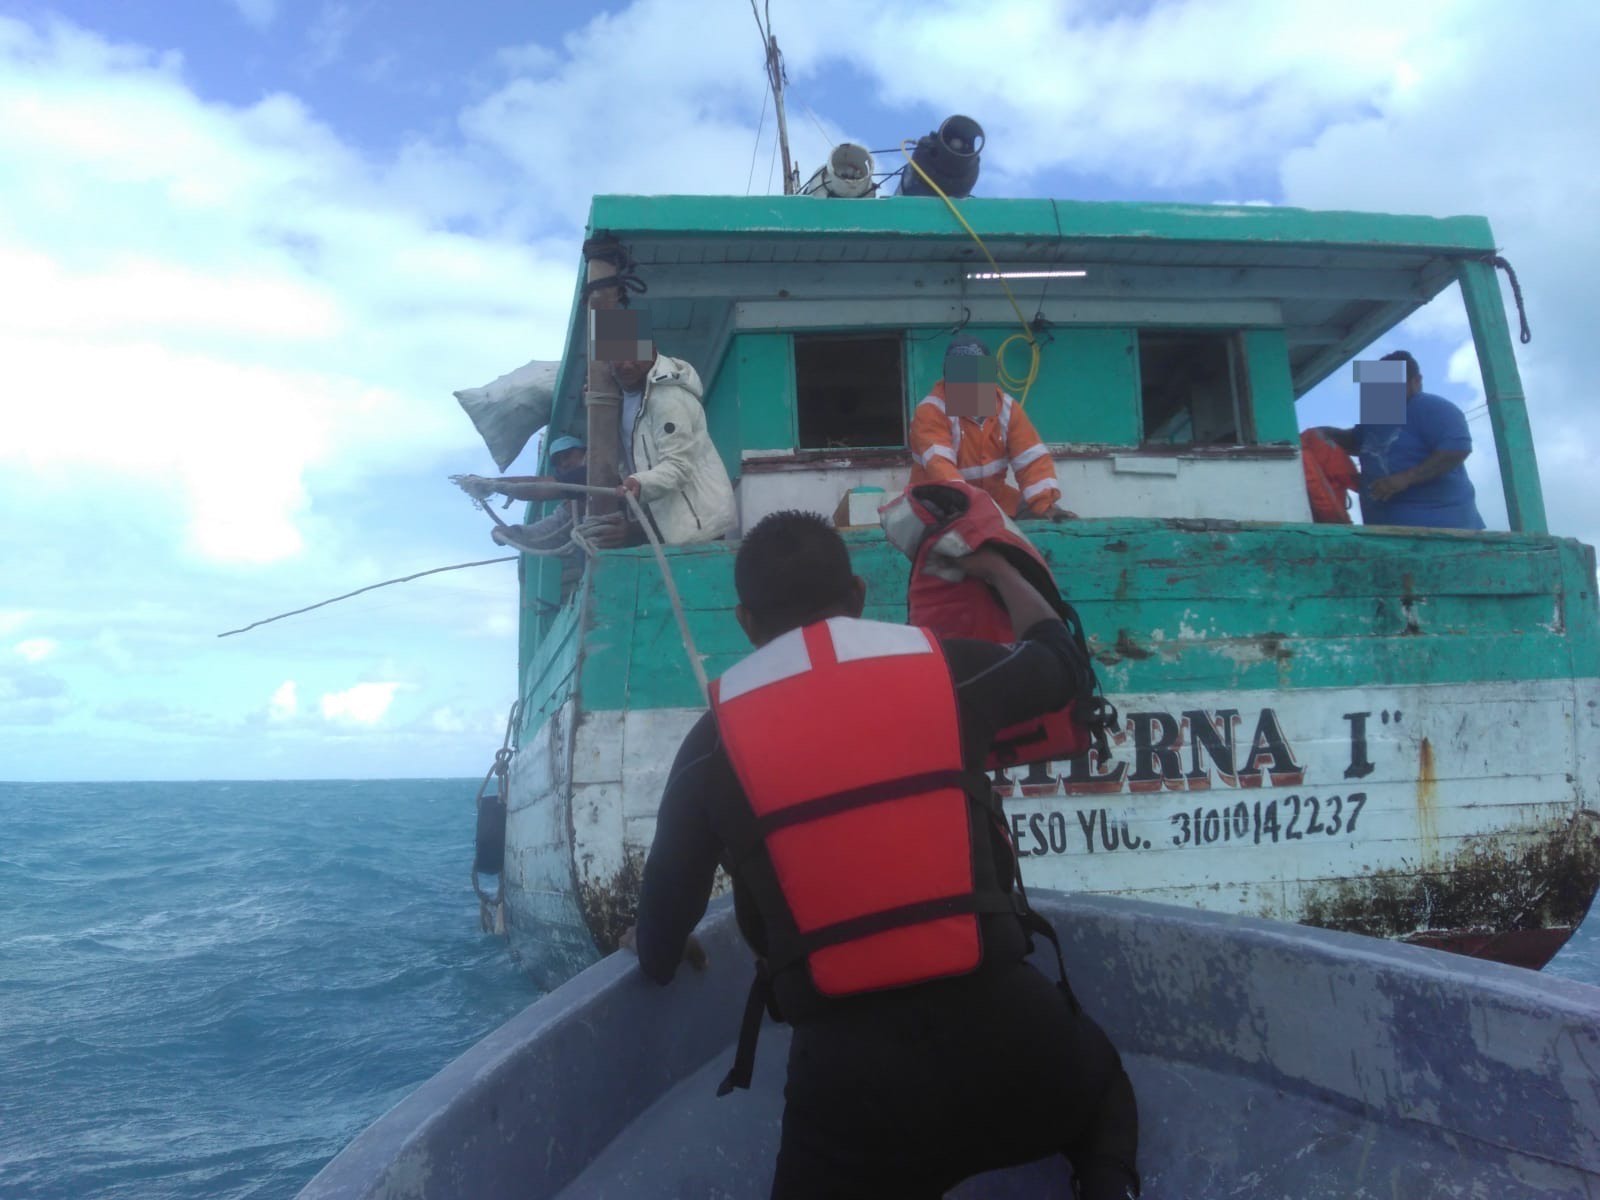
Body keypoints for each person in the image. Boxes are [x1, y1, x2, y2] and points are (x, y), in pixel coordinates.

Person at [627, 511, 1139, 1199]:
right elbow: (1061, 660)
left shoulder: (711, 745)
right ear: (860, 595)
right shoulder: (948, 671)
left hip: (851, 1094)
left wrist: (661, 943)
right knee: (1103, 1091)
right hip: (1010, 1039)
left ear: (747, 621)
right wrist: (993, 566)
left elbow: (660, 937)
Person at [909, 335, 1075, 520]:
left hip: (995, 500)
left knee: (1051, 518)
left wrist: (1045, 505)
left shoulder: (1008, 409)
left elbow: (1031, 459)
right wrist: (969, 508)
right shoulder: (931, 411)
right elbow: (939, 466)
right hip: (942, 503)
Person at [1316, 350, 1485, 530]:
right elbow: (1357, 441)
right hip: (1386, 535)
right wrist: (1319, 433)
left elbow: (1457, 450)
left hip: (1445, 532)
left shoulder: (1431, 406)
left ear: (1416, 381)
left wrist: (1406, 478)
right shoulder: (1377, 418)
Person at [599, 340, 736, 545]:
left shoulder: (668, 397)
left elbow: (679, 466)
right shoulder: (620, 396)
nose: (627, 364)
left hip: (697, 527)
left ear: (652, 352)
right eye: (619, 357)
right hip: (661, 521)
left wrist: (638, 482)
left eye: (634, 355)